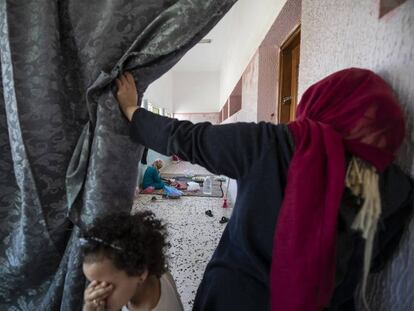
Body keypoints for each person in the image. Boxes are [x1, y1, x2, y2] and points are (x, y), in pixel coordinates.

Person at [115, 69, 413, 310]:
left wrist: (131, 110)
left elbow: (185, 138)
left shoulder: (273, 145)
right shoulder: (397, 189)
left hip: (234, 299)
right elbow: (375, 262)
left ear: (320, 103)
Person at [81, 212, 184, 311]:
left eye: (106, 285)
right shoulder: (153, 270)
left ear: (141, 272)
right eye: (93, 283)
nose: (96, 294)